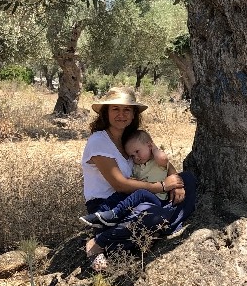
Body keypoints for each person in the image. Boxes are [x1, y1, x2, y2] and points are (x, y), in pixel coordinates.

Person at [81, 86, 197, 270]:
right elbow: (120, 184)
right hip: (110, 204)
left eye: (127, 109)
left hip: (139, 198)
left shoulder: (132, 139)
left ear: (134, 114)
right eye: (115, 109)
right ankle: (99, 242)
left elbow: (161, 161)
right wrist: (162, 186)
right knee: (150, 213)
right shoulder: (98, 140)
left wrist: (176, 183)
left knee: (188, 179)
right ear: (106, 113)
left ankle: (148, 224)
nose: (122, 114)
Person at [79, 129, 177, 228]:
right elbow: (130, 182)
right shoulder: (137, 166)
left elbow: (163, 159)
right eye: (132, 156)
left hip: (159, 198)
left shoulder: (157, 161)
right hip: (143, 198)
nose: (136, 157)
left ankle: (115, 214)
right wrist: (133, 181)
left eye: (137, 152)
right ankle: (102, 213)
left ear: (149, 145)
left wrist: (154, 148)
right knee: (125, 191)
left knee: (140, 193)